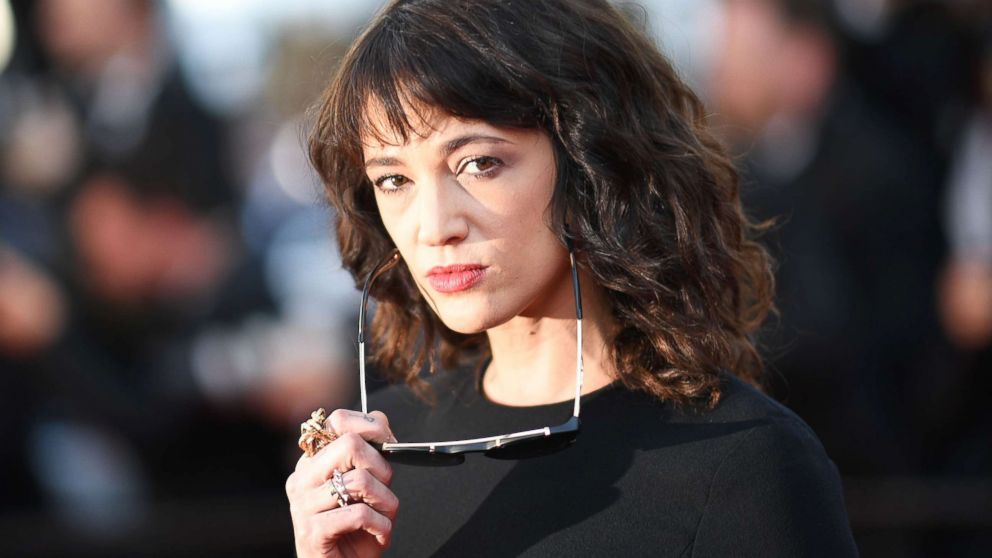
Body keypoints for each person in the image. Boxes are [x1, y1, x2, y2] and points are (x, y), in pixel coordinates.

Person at [285, 0, 858, 556]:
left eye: (479, 163)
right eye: (393, 179)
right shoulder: (378, 460)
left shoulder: (743, 463)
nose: (434, 226)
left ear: (591, 164)